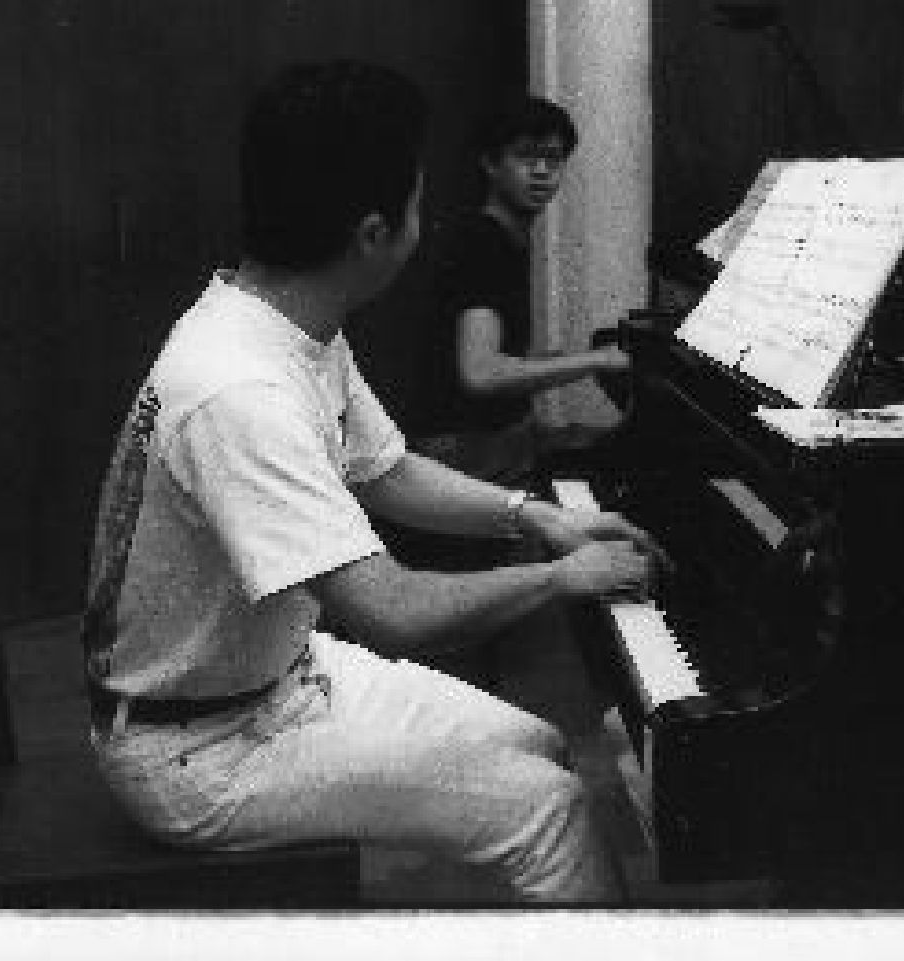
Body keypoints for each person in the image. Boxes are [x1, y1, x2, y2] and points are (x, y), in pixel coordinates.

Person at [78, 61, 663, 903]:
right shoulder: (240, 390)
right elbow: (392, 608)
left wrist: (537, 518)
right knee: (552, 809)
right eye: (420, 203)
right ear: (373, 234)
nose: (426, 220)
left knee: (540, 744)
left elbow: (386, 470)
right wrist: (561, 578)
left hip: (278, 677)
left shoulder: (286, 318)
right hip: (196, 752)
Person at [411, 95, 629, 488]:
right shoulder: (484, 245)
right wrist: (598, 360)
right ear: (491, 164)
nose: (542, 171)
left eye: (554, 159)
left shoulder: (504, 237)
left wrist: (569, 361)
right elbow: (481, 374)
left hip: (493, 440)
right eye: (526, 156)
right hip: (466, 454)